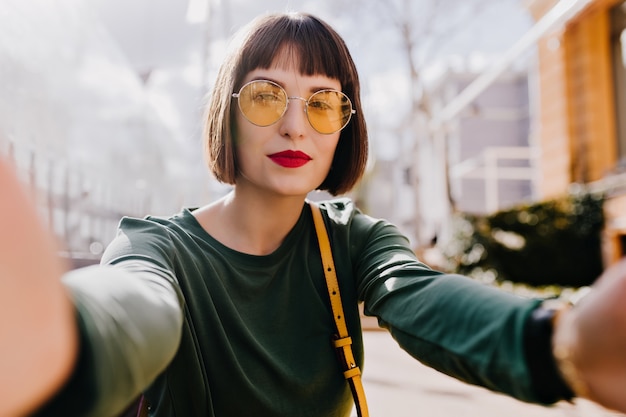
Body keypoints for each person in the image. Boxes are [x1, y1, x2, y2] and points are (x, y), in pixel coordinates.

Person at [3, 11, 626, 417]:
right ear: (227, 112)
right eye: (266, 94)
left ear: (344, 128)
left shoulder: (355, 240)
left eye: (324, 103)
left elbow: (418, 299)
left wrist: (560, 344)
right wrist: (61, 343)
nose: (295, 123)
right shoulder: (157, 249)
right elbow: (137, 309)